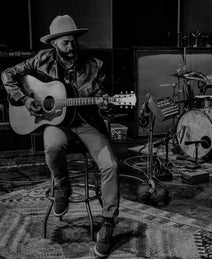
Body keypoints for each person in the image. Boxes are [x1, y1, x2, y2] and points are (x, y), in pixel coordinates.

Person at [1, 15, 119, 258]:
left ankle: (108, 223)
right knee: (52, 147)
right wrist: (25, 98)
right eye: (65, 43)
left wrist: (107, 105)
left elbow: (103, 102)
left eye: (74, 41)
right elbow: (8, 74)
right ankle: (62, 184)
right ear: (54, 43)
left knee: (110, 165)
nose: (71, 46)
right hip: (57, 123)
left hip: (87, 123)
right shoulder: (41, 59)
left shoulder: (95, 65)